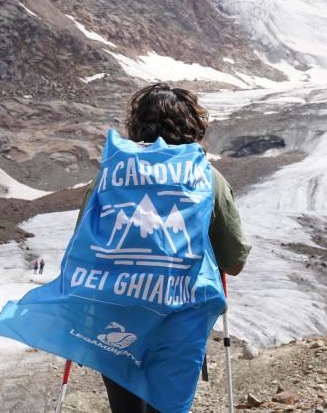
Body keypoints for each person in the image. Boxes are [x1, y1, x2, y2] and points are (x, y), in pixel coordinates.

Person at [76, 83, 251, 413]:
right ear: (193, 125)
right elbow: (234, 260)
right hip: (177, 323)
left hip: (116, 319)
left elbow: (82, 248)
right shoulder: (207, 179)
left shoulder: (108, 177)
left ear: (136, 123)